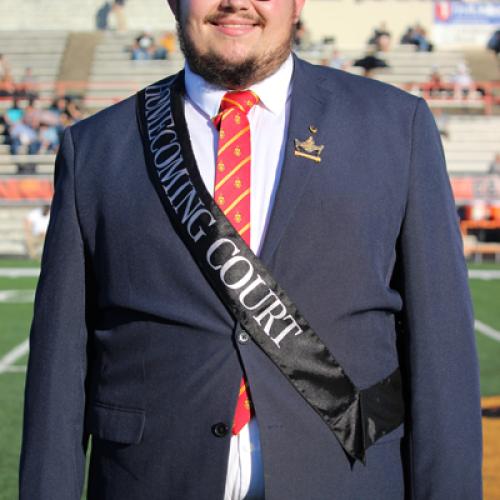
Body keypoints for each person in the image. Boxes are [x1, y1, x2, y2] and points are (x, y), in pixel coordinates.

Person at [20, 0, 482, 499]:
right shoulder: (95, 148)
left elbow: (442, 354)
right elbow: (58, 376)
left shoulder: (396, 126)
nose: (235, 2)